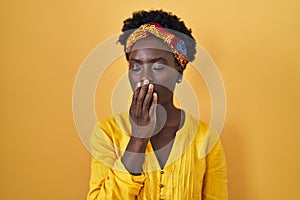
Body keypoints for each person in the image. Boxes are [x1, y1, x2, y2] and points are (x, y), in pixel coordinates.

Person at [87, 10, 228, 200]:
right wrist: (138, 138)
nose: (145, 77)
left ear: (179, 73)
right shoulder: (106, 133)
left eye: (158, 66)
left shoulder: (206, 139)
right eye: (136, 66)